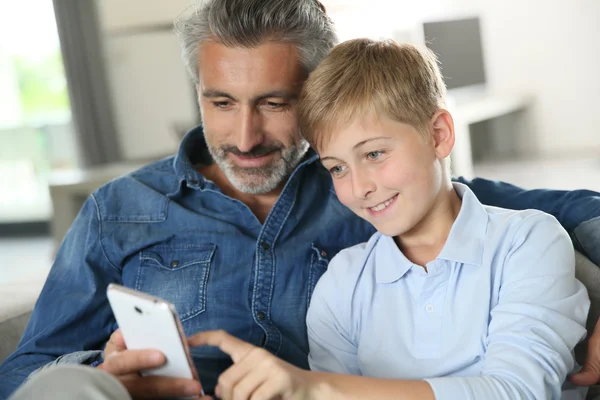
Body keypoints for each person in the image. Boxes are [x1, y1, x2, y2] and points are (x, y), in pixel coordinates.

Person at [1, 0, 599, 399]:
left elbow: (563, 215)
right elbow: (22, 373)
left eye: (274, 103)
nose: (244, 138)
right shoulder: (120, 210)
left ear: (313, 99)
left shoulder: (374, 192)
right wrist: (105, 375)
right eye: (221, 102)